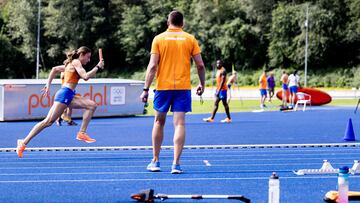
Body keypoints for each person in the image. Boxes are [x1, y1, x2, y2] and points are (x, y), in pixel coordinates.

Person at [140, 11, 205, 174]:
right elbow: (200, 65)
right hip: (182, 87)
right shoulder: (190, 39)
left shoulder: (158, 39)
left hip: (163, 86)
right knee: (180, 124)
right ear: (182, 23)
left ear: (167, 22)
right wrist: (202, 84)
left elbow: (152, 66)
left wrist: (146, 89)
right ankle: (176, 164)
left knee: (158, 122)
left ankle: (155, 161)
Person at [16, 46, 104, 158]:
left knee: (92, 105)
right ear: (81, 55)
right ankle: (23, 143)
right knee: (47, 122)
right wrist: (97, 67)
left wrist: (48, 85)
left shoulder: (70, 64)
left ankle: (82, 133)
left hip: (70, 94)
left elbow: (54, 69)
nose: (89, 60)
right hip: (64, 94)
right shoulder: (76, 62)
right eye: (88, 57)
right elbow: (85, 76)